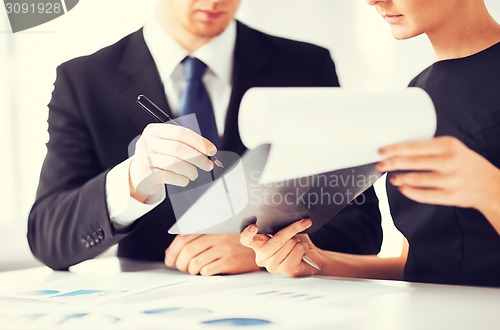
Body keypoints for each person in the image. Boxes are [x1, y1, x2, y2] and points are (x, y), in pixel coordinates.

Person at [28, 0, 383, 273]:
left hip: (288, 305)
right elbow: (47, 238)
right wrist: (131, 182)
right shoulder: (85, 81)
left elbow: (362, 227)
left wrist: (261, 251)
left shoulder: (306, 66)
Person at [241, 0, 500, 287]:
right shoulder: (418, 92)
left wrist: (491, 192)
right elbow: (420, 263)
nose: (373, 0)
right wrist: (315, 261)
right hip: (431, 320)